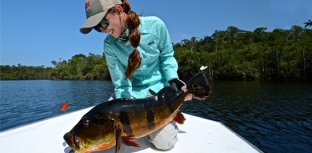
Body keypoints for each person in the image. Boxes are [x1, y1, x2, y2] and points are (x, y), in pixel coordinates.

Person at [79, 0, 191, 150]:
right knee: (106, 139)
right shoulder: (109, 45)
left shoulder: (156, 25)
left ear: (118, 10)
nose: (103, 30)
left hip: (158, 93)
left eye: (103, 23)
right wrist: (124, 115)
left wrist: (173, 79)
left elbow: (167, 56)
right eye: (97, 28)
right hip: (130, 94)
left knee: (164, 143)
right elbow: (121, 82)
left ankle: (167, 115)